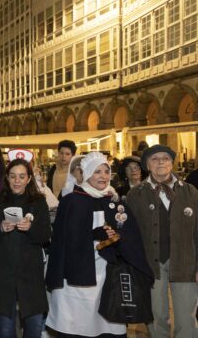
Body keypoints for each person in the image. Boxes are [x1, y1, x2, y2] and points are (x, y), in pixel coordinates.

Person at [46, 152, 152, 337]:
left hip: (107, 275)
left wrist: (118, 239)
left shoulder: (115, 202)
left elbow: (131, 235)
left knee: (106, 326)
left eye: (106, 171)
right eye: (97, 172)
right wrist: (94, 235)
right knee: (77, 325)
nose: (103, 176)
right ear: (86, 174)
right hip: (76, 277)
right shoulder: (72, 201)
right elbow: (64, 240)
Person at [127, 145, 198, 338]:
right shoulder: (136, 195)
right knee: (156, 317)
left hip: (186, 263)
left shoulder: (191, 192)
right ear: (147, 165)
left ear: (172, 163)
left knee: (186, 319)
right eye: (155, 159)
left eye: (165, 158)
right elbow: (129, 235)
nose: (161, 162)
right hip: (150, 265)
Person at [0, 156, 51, 338]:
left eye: (22, 176)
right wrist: (0, 227)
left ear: (29, 178)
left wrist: (31, 228)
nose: (17, 181)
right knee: (5, 327)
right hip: (4, 269)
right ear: (7, 177)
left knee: (34, 324)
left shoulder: (38, 202)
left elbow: (45, 235)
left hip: (30, 270)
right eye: (13, 176)